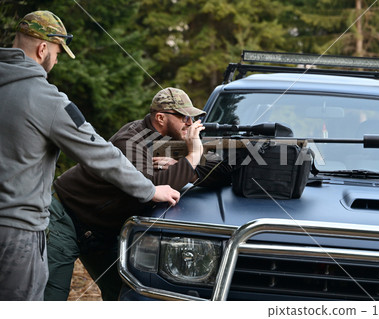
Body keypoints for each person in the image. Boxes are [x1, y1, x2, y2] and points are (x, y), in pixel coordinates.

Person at [0, 11, 180, 301]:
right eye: (58, 52)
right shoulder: (45, 99)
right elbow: (98, 153)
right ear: (43, 49)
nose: (56, 61)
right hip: (17, 232)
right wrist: (149, 189)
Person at [45, 87, 232, 301]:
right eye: (184, 117)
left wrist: (180, 164)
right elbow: (150, 188)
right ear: (161, 118)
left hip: (101, 232)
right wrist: (193, 154)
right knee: (51, 296)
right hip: (66, 218)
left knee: (124, 294)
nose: (190, 123)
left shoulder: (160, 138)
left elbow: (213, 171)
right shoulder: (130, 140)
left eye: (191, 117)